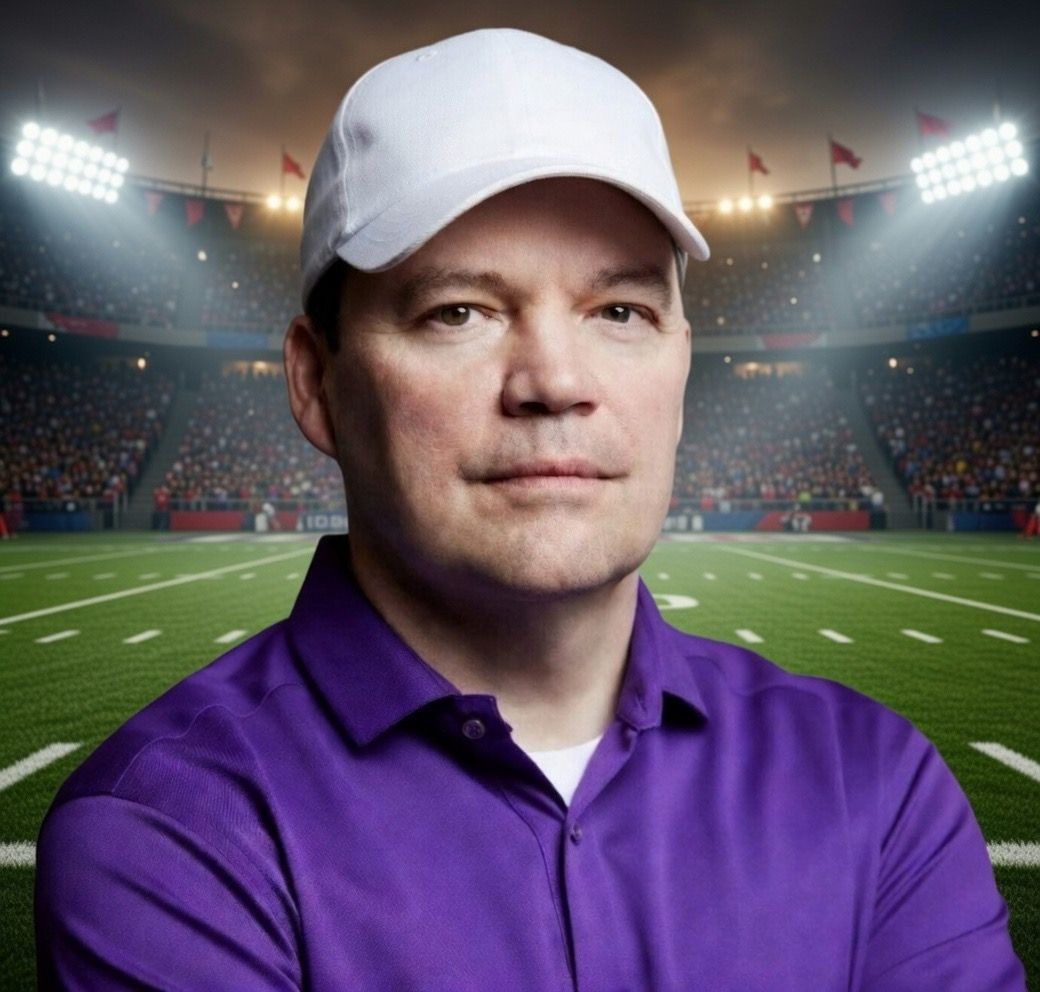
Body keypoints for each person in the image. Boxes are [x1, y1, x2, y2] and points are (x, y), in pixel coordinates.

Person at [35, 28, 1024, 991]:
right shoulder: (165, 830)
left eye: (618, 311)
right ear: (315, 382)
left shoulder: (877, 782)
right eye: (457, 309)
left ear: (680, 364)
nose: (555, 379)